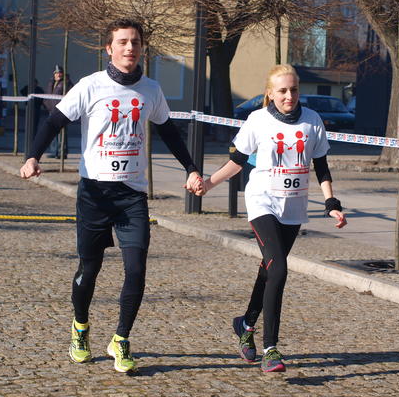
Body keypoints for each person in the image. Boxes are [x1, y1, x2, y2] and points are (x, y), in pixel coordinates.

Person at [20, 18, 203, 374]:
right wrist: (32, 157)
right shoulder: (90, 86)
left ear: (142, 48)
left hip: (132, 195)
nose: (130, 48)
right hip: (95, 194)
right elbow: (54, 122)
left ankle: (121, 339)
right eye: (122, 42)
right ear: (109, 48)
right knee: (89, 269)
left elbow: (169, 132)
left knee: (136, 268)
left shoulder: (151, 90)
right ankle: (80, 328)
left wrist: (191, 168)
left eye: (135, 42)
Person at [188, 64, 347, 373]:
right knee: (280, 268)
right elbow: (237, 161)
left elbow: (321, 165)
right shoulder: (258, 120)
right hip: (262, 202)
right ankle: (270, 348)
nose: (289, 96)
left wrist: (331, 203)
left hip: (293, 207)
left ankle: (245, 324)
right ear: (270, 93)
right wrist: (208, 184)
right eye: (282, 91)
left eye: (294, 90)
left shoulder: (313, 121)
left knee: (270, 269)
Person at [44, 65, 74, 158]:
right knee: (52, 132)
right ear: (54, 74)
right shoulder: (51, 83)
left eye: (60, 72)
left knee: (62, 133)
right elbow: (48, 95)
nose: (58, 74)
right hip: (52, 111)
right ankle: (54, 152)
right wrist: (46, 104)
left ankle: (62, 152)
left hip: (62, 111)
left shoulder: (67, 83)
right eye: (56, 73)